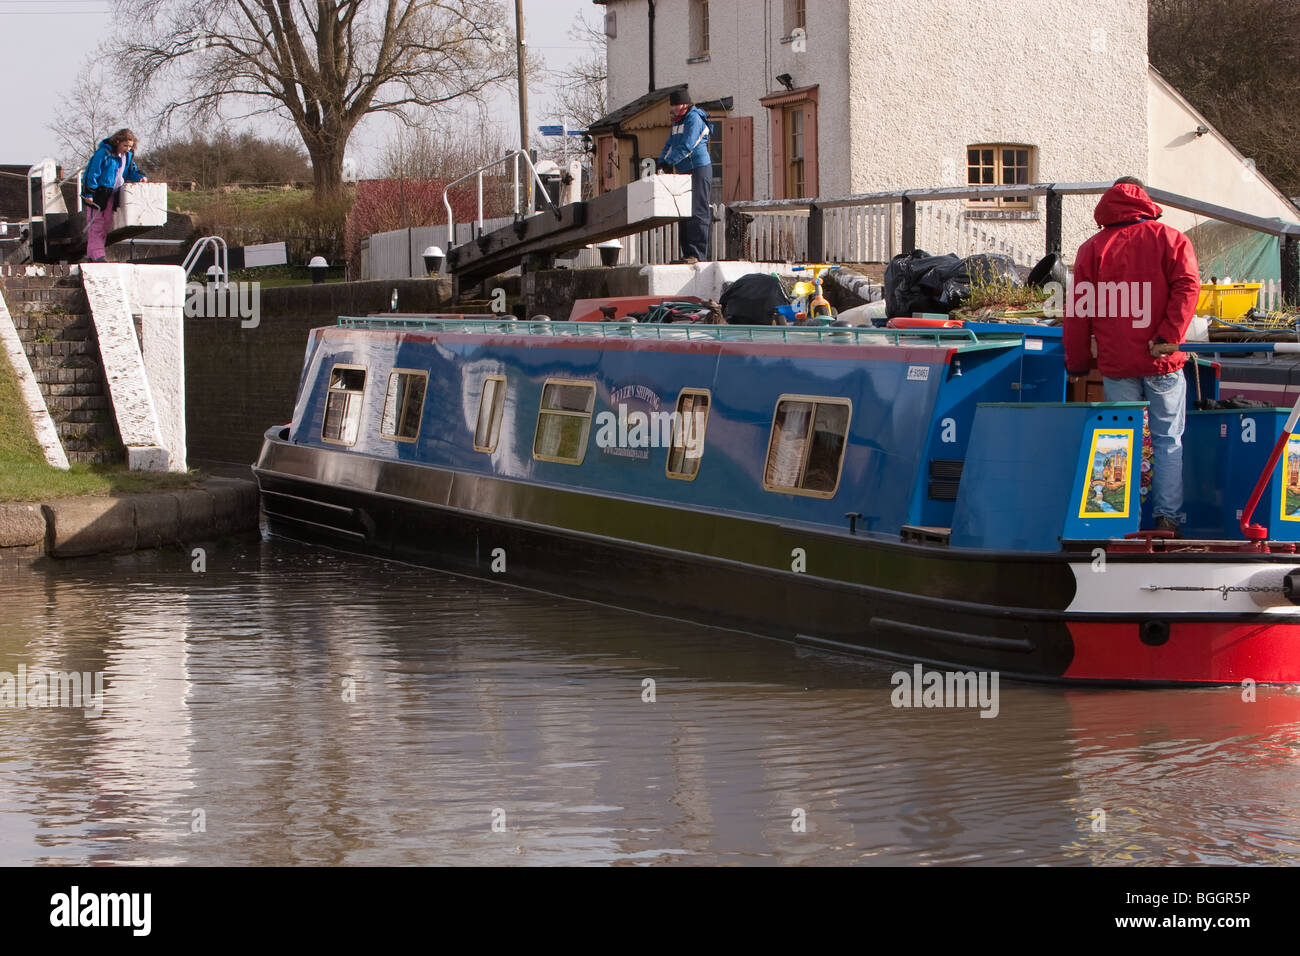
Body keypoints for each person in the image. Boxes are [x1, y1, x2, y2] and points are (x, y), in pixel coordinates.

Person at [1065, 176, 1200, 537]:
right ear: (1145, 201)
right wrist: (1168, 338)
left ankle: (1114, 517)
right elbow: (1188, 287)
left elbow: (1078, 312)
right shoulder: (1172, 239)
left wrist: (1077, 363)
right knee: (1168, 439)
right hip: (1162, 360)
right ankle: (1167, 520)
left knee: (1119, 439)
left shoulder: (1092, 249)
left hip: (1117, 364)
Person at [656, 89, 712, 264]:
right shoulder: (677, 122)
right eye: (672, 105)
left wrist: (670, 161)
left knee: (698, 211)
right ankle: (688, 253)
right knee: (684, 211)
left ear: (685, 105)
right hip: (683, 170)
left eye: (676, 105)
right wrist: (662, 161)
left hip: (698, 168)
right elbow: (671, 144)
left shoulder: (694, 119)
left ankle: (698, 254)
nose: (673, 108)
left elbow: (689, 145)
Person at [81, 128, 147, 263]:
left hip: (113, 193)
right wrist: (89, 193)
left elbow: (130, 171)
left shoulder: (127, 156)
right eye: (125, 146)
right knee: (96, 224)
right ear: (117, 142)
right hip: (99, 192)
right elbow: (92, 172)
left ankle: (91, 254)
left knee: (106, 224)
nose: (127, 149)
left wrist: (140, 177)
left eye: (130, 146)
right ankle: (98, 254)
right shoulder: (103, 153)